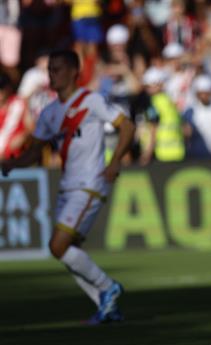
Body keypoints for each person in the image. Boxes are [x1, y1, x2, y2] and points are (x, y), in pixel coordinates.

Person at [1, 49, 135, 325]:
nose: (52, 74)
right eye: (50, 69)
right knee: (68, 250)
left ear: (74, 72)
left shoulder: (91, 100)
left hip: (90, 183)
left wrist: (114, 162)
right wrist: (11, 164)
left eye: (58, 69)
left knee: (58, 245)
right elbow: (33, 152)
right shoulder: (49, 113)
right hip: (67, 186)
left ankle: (108, 286)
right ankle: (107, 307)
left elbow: (127, 127)